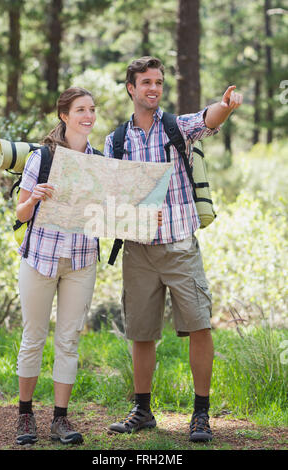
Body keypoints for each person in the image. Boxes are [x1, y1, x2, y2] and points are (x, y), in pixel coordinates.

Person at [104, 56, 243, 442]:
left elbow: (208, 119)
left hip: (181, 246)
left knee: (199, 325)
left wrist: (225, 105)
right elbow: (111, 196)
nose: (153, 88)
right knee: (142, 332)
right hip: (138, 251)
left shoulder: (176, 127)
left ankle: (200, 415)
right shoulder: (116, 141)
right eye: (146, 82)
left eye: (159, 82)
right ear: (131, 88)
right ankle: (143, 411)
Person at [15, 87, 100, 445]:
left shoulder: (100, 160)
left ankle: (60, 421)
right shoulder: (42, 157)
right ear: (64, 115)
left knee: (68, 340)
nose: (89, 115)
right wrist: (34, 197)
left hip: (81, 261)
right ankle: (25, 416)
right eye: (81, 109)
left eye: (92, 109)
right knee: (33, 337)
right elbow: (19, 214)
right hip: (40, 259)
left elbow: (108, 211)